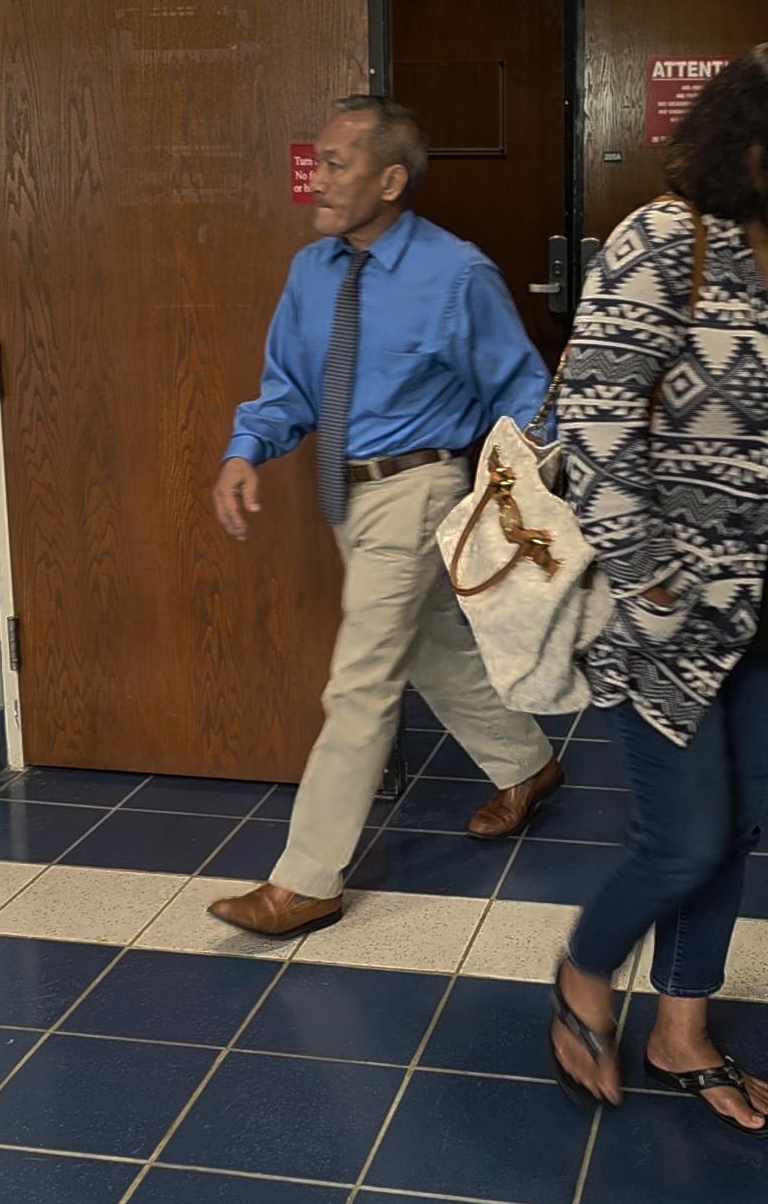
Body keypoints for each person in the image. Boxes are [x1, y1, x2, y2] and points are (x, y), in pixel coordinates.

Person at [550, 41, 768, 1129]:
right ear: (757, 146)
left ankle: (683, 1032)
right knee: (680, 838)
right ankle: (585, 973)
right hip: (668, 618)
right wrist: (655, 592)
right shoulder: (657, 243)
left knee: (733, 832)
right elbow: (589, 430)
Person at [209, 94, 562, 938]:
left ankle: (307, 880)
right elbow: (289, 388)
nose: (318, 177)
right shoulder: (312, 270)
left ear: (392, 179)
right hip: (346, 493)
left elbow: (523, 391)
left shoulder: (457, 274)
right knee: (434, 646)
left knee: (362, 679)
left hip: (421, 488)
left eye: (337, 163)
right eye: (318, 160)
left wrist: (522, 492)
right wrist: (243, 452)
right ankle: (528, 762)